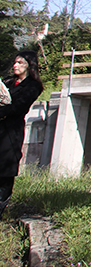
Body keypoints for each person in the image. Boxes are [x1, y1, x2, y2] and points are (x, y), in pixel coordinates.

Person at [0, 51, 44, 214]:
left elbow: (18, 107)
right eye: (15, 62)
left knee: (5, 169)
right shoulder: (8, 82)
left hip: (11, 131)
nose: (15, 65)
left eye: (20, 63)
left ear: (29, 65)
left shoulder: (33, 85)